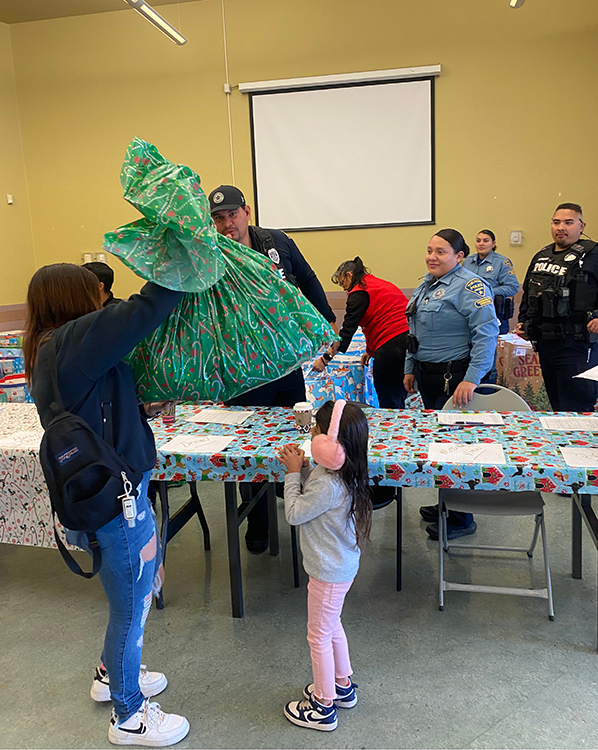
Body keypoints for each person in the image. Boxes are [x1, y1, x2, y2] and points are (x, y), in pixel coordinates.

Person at [23, 264, 189, 747]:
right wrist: (184, 263)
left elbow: (103, 402)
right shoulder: (73, 341)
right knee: (131, 611)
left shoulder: (51, 348)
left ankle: (108, 674)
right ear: (74, 298)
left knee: (131, 601)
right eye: (95, 289)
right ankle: (129, 716)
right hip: (115, 507)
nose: (102, 295)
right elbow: (144, 310)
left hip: (106, 496)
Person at [209, 184, 336, 553]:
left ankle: (298, 502)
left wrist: (325, 323)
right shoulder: (215, 254)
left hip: (286, 364)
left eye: (232, 214)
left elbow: (309, 279)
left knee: (296, 435)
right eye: (219, 217)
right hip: (244, 370)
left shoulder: (276, 242)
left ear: (247, 212)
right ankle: (259, 523)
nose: (227, 223)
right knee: (249, 448)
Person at [277, 400, 371, 732]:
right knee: (332, 628)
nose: (313, 434)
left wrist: (291, 476)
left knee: (317, 636)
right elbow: (318, 493)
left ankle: (323, 705)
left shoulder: (328, 483)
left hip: (327, 571)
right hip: (340, 567)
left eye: (316, 430)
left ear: (330, 444)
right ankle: (342, 686)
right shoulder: (342, 470)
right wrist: (304, 469)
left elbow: (294, 513)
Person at [403, 229, 499, 541]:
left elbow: (486, 334)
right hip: (428, 375)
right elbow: (412, 331)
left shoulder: (470, 286)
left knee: (458, 447)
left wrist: (472, 378)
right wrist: (409, 368)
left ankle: (462, 517)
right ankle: (448, 501)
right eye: (429, 250)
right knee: (441, 445)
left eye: (441, 252)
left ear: (459, 257)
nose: (432, 256)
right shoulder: (425, 284)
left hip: (455, 379)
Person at [517, 203, 598, 413]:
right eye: (556, 222)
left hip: (579, 345)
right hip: (546, 345)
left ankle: (581, 445)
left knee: (578, 407)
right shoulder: (541, 255)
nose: (561, 227)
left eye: (568, 222)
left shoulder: (594, 255)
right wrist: (524, 321)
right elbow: (529, 292)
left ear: (582, 226)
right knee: (557, 406)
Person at [313, 257, 409, 409]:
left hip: (391, 345)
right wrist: (370, 351)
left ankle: (393, 428)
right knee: (397, 394)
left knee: (389, 399)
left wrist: (325, 359)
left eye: (342, 282)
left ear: (349, 275)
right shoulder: (375, 284)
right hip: (407, 341)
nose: (343, 288)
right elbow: (376, 319)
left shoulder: (359, 293)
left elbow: (347, 332)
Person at [463, 230, 519, 335]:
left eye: (486, 241)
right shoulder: (468, 261)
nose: (481, 244)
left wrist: (487, 291)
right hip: (471, 313)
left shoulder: (502, 262)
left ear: (493, 244)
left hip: (494, 313)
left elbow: (513, 287)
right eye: (478, 241)